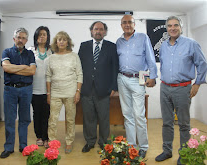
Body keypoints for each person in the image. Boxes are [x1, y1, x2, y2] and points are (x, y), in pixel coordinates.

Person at [155, 16, 207, 165]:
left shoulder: (191, 44)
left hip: (183, 89)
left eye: (176, 25)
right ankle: (167, 151)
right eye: (170, 26)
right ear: (166, 28)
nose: (173, 28)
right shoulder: (164, 45)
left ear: (181, 27)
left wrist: (197, 84)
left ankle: (184, 154)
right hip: (164, 88)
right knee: (167, 122)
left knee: (183, 124)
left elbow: (202, 64)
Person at [116, 15, 157, 158]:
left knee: (139, 115)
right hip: (121, 78)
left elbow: (150, 58)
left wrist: (153, 76)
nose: (127, 25)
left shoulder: (143, 38)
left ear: (134, 24)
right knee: (127, 114)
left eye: (130, 22)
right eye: (124, 23)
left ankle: (143, 146)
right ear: (121, 25)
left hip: (138, 79)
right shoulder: (119, 41)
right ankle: (131, 145)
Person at [78, 21, 119, 153]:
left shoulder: (111, 47)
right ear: (91, 31)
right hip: (86, 88)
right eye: (96, 29)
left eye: (101, 29)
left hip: (104, 89)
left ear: (105, 32)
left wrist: (114, 86)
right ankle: (90, 142)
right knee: (88, 117)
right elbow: (78, 68)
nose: (98, 31)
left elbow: (115, 68)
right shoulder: (83, 46)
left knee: (103, 117)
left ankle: (103, 142)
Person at [0, 27, 36, 158]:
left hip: (26, 89)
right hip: (10, 90)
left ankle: (23, 147)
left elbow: (32, 71)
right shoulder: (7, 52)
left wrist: (13, 68)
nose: (20, 40)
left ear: (26, 40)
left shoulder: (30, 54)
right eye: (18, 37)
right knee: (9, 119)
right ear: (14, 38)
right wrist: (23, 67)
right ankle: (9, 147)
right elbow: (6, 67)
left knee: (24, 119)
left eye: (23, 38)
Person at [46, 31, 83, 154]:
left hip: (71, 92)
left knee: (70, 119)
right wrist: (48, 94)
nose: (61, 42)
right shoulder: (51, 58)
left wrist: (78, 91)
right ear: (56, 42)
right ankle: (52, 143)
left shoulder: (74, 56)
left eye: (64, 39)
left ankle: (69, 142)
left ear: (68, 42)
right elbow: (48, 76)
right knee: (52, 120)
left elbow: (79, 74)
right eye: (59, 40)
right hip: (55, 93)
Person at [28, 26, 52, 148]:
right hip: (34, 89)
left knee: (47, 114)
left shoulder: (52, 51)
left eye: (44, 34)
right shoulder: (30, 50)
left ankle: (46, 137)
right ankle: (39, 136)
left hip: (48, 89)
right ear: (36, 37)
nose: (42, 36)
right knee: (37, 113)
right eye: (40, 34)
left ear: (48, 37)